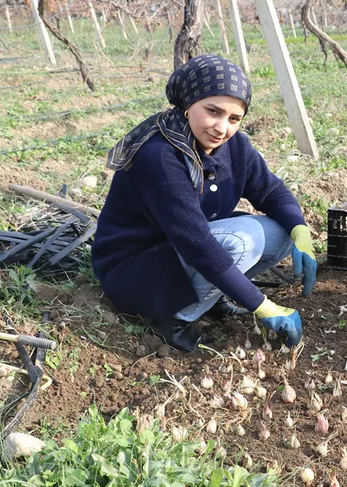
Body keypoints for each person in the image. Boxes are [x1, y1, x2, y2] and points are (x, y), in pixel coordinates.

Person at [91, 55, 316, 352]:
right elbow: (197, 243)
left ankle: (208, 298)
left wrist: (300, 231)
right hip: (138, 269)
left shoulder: (233, 146)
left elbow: (270, 191)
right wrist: (263, 306)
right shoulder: (160, 156)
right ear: (188, 104)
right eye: (213, 111)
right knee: (241, 241)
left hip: (177, 253)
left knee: (281, 232)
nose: (222, 128)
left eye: (234, 118)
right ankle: (171, 317)